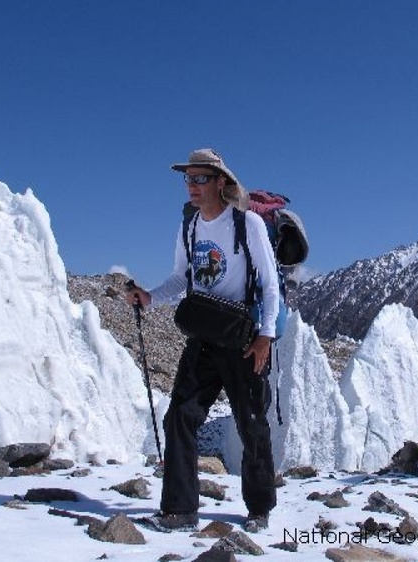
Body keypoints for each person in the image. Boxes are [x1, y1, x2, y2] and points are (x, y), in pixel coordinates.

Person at [125, 148, 280, 533]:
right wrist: (150, 298)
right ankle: (179, 510)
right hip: (204, 337)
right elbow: (181, 277)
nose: (191, 186)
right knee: (180, 415)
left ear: (221, 182)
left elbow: (269, 283)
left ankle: (259, 509)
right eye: (188, 179)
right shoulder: (189, 226)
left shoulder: (247, 226)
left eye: (200, 178)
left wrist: (266, 337)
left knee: (252, 423)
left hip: (243, 338)